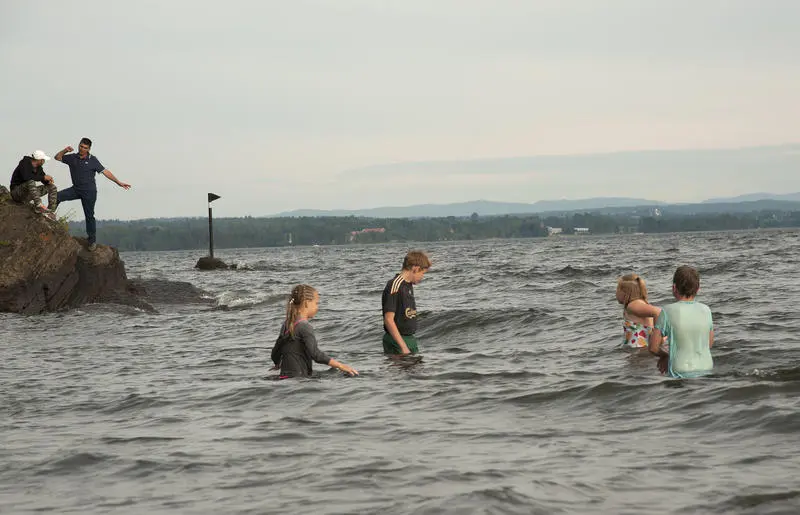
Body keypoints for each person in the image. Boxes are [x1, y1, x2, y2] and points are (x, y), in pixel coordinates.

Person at [54, 138, 131, 250]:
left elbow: (106, 172)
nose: (82, 149)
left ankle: (92, 241)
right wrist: (65, 150)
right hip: (75, 189)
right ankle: (48, 216)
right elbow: (57, 157)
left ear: (89, 149)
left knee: (89, 216)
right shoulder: (72, 158)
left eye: (85, 148)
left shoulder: (93, 160)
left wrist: (118, 182)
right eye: (81, 146)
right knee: (56, 196)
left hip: (89, 192)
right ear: (78, 146)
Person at [270, 284, 358, 378]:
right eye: (316, 303)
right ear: (306, 303)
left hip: (284, 377)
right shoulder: (304, 326)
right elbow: (316, 355)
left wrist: (277, 364)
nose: (317, 307)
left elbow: (275, 352)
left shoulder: (286, 324)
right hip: (299, 379)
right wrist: (341, 366)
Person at [648, 265, 714, 378]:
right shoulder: (706, 310)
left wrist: (665, 356)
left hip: (680, 370)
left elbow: (653, 347)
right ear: (698, 288)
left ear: (674, 288)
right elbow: (709, 343)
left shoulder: (666, 311)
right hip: (706, 368)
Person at [381, 250, 431, 355]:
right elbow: (388, 320)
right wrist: (403, 346)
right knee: (400, 370)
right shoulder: (394, 285)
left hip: (409, 338)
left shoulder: (408, 285)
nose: (422, 277)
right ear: (415, 269)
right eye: (422, 273)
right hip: (397, 341)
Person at [616, 273, 662, 348]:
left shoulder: (633, 305)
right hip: (640, 348)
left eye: (617, 289)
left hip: (640, 351)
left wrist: (657, 338)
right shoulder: (637, 304)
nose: (616, 293)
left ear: (625, 292)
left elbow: (658, 312)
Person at [9, 150, 58, 219]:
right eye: (43, 160)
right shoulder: (24, 163)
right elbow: (26, 177)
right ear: (40, 160)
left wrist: (47, 181)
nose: (44, 161)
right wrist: (43, 177)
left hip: (28, 195)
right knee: (31, 182)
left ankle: (50, 212)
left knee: (52, 187)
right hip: (17, 193)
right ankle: (39, 206)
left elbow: (42, 178)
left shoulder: (39, 168)